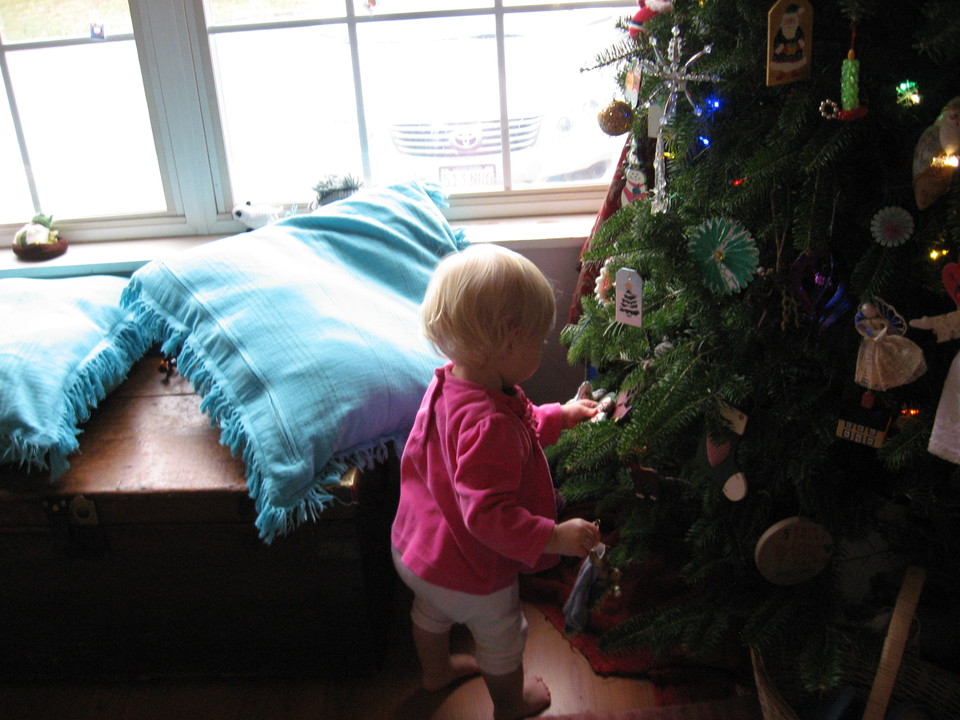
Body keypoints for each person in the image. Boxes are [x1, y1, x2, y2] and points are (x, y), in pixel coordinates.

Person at [392, 243, 601, 719]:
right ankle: (510, 704)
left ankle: (435, 672)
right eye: (538, 341)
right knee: (503, 634)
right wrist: (553, 536)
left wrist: (561, 415)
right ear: (508, 342)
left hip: (418, 546)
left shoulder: (453, 382)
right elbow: (488, 515)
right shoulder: (491, 424)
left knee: (431, 611)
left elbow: (518, 424)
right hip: (471, 568)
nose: (542, 348)